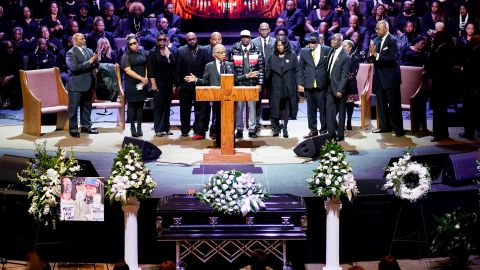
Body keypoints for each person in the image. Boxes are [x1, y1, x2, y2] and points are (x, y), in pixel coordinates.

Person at [184, 44, 235, 147]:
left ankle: (230, 142)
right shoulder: (209, 66)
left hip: (229, 97)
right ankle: (219, 143)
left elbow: (235, 79)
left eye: (224, 52)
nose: (224, 54)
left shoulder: (229, 64)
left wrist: (246, 76)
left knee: (230, 120)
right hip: (216, 97)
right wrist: (197, 80)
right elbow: (205, 81)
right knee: (218, 121)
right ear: (215, 54)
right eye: (221, 52)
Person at [368, 20, 405, 137]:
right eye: (376, 28)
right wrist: (370, 55)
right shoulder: (376, 40)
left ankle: (398, 129)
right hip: (379, 78)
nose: (376, 30)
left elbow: (391, 59)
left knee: (394, 105)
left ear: (386, 29)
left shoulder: (393, 40)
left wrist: (376, 55)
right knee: (381, 104)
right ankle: (384, 127)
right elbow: (370, 58)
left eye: (378, 28)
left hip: (391, 78)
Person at [175, 32, 211, 139]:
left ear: (196, 39)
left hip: (199, 85)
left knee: (199, 110)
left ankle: (198, 129)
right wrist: (179, 84)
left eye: (193, 39)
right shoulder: (181, 50)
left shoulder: (204, 51)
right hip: (185, 86)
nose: (192, 41)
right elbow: (177, 69)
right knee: (185, 109)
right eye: (189, 39)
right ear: (187, 40)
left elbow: (207, 69)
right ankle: (185, 129)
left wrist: (204, 82)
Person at [297, 31, 332, 138]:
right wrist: (300, 83)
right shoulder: (304, 51)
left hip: (322, 85)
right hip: (308, 85)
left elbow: (330, 67)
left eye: (313, 42)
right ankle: (313, 130)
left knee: (323, 109)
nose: (311, 44)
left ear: (318, 42)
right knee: (310, 110)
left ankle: (323, 130)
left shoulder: (327, 50)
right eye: (309, 42)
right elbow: (300, 69)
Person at [231, 30, 264, 139]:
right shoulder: (235, 49)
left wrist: (260, 84)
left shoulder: (257, 50)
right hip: (239, 84)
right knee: (239, 108)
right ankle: (239, 129)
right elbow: (232, 68)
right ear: (240, 38)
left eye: (247, 37)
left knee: (252, 107)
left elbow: (261, 69)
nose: (245, 39)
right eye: (243, 37)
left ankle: (252, 129)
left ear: (250, 38)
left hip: (252, 84)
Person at [66, 33, 99, 138]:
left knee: (86, 107)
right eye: (82, 39)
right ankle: (73, 129)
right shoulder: (70, 53)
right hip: (75, 85)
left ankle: (86, 127)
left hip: (88, 83)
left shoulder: (89, 50)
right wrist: (89, 62)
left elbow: (95, 64)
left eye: (84, 38)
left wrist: (95, 60)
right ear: (75, 41)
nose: (84, 40)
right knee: (74, 109)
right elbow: (74, 68)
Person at [266, 37, 298, 138]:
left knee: (286, 107)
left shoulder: (292, 56)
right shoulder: (272, 57)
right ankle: (276, 128)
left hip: (288, 85)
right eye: (278, 45)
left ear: (286, 45)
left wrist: (299, 85)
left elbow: (297, 71)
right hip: (275, 85)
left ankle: (285, 128)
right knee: (275, 107)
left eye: (282, 45)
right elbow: (268, 73)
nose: (280, 47)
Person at [424, 30, 453, 142]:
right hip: (443, 83)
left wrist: (431, 49)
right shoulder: (446, 48)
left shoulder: (440, 50)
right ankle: (443, 133)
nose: (433, 39)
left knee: (438, 110)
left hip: (440, 84)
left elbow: (431, 64)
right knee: (442, 110)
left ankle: (438, 133)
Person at [148, 32, 176, 137]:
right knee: (159, 106)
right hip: (158, 82)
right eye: (160, 40)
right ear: (156, 41)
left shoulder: (170, 51)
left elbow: (173, 67)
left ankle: (167, 127)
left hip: (168, 82)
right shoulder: (153, 52)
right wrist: (153, 84)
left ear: (166, 41)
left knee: (167, 106)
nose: (162, 42)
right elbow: (150, 69)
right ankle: (158, 129)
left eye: (164, 40)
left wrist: (174, 84)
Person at [122, 35, 148, 137]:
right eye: (131, 44)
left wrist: (145, 78)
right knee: (132, 106)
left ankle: (139, 127)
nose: (133, 45)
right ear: (128, 46)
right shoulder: (126, 56)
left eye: (134, 43)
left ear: (137, 43)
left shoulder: (143, 53)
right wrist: (141, 78)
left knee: (140, 106)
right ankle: (132, 127)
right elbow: (127, 70)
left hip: (142, 83)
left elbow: (147, 65)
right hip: (131, 83)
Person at [326, 33, 350, 141]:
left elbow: (345, 75)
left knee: (341, 113)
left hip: (340, 89)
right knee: (329, 111)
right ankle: (331, 133)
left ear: (340, 41)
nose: (332, 41)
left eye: (334, 40)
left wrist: (340, 89)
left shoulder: (345, 56)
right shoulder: (332, 51)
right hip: (330, 86)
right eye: (332, 39)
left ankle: (340, 135)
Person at [252, 22, 276, 131]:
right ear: (259, 30)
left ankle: (274, 124)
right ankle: (256, 124)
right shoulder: (253, 42)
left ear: (269, 30)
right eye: (262, 29)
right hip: (258, 75)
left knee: (274, 100)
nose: (264, 31)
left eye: (266, 29)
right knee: (257, 101)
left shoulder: (275, 42)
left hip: (272, 75)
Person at [460, 35, 480, 139]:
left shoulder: (473, 54)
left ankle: (469, 133)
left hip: (471, 86)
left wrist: (462, 70)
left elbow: (469, 71)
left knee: (468, 111)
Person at [343, 39, 360, 130]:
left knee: (350, 105)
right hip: (341, 85)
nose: (342, 47)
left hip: (350, 85)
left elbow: (353, 73)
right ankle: (340, 122)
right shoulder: (340, 56)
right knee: (341, 105)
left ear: (350, 48)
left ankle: (349, 121)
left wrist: (343, 78)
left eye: (344, 46)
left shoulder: (355, 58)